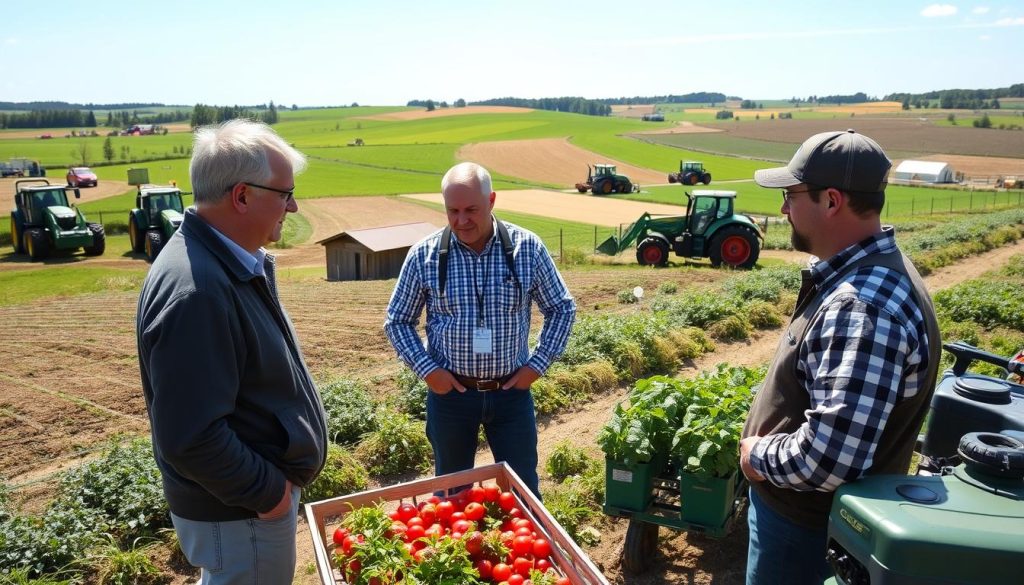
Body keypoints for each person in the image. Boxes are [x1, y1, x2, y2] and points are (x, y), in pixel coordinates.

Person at [738, 130, 942, 585]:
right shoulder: (875, 275)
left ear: (832, 201)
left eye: (791, 196)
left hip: (806, 531)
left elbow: (831, 458)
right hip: (809, 522)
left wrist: (758, 456)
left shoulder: (862, 306)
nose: (783, 209)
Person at [136, 119, 328, 584]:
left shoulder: (221, 262)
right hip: (240, 512)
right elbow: (192, 436)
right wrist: (271, 495)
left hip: (241, 508)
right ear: (241, 196)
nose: (294, 205)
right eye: (284, 193)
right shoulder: (198, 291)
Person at [384, 162, 576, 496]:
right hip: (452, 398)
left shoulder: (526, 248)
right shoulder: (425, 256)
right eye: (452, 211)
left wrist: (537, 365)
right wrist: (429, 372)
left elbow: (561, 307)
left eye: (471, 209)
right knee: (451, 494)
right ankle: (460, 547)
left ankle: (523, 546)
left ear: (491, 201)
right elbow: (397, 321)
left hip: (510, 395)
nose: (461, 220)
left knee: (522, 490)